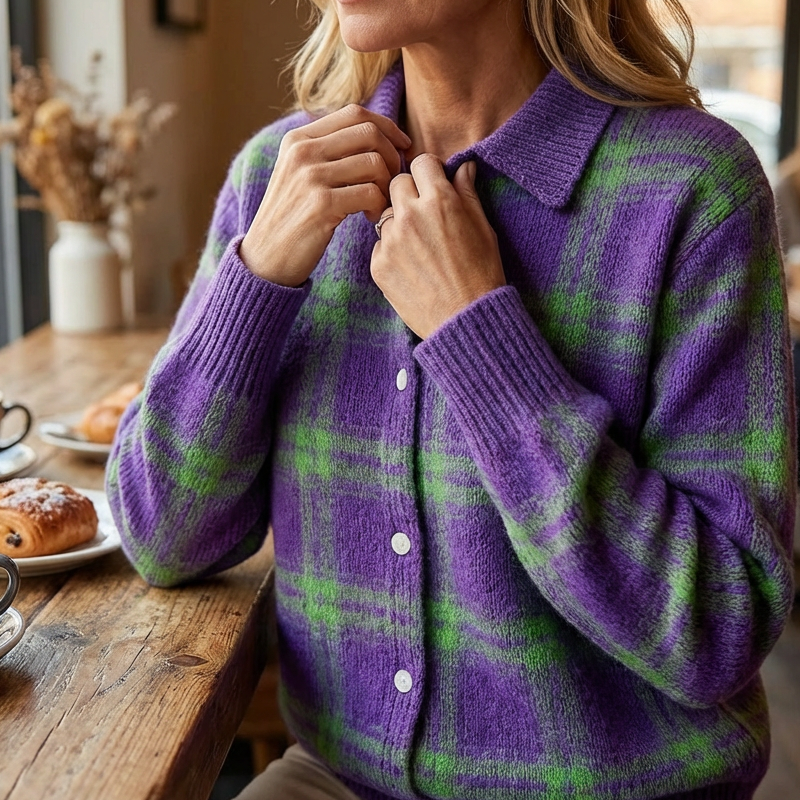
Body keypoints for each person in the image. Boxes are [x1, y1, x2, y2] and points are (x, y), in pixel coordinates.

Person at [106, 1, 797, 798]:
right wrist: (256, 278)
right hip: (340, 779)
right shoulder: (277, 178)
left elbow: (717, 629)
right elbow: (161, 535)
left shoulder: (691, 190)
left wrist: (480, 339)